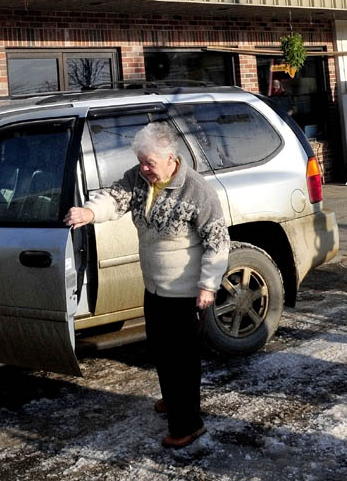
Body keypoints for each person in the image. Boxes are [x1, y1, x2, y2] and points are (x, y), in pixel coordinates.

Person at [64, 121, 230, 449]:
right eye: (141, 160)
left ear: (171, 158)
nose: (143, 168)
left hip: (186, 292)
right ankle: (173, 398)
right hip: (154, 286)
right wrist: (88, 212)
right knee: (161, 348)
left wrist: (208, 285)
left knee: (182, 360)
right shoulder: (138, 178)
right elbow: (115, 197)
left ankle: (188, 424)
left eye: (149, 163)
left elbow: (218, 241)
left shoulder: (196, 190)